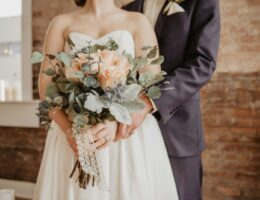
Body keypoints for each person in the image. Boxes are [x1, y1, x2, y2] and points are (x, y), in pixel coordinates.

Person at [33, 0, 179, 199]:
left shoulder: (137, 21)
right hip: (76, 133)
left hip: (125, 139)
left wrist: (116, 120)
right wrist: (69, 129)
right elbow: (46, 87)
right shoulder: (61, 23)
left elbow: (152, 84)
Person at [120, 0, 221, 199]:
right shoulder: (127, 10)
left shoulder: (202, 3)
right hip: (130, 133)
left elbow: (203, 63)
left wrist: (149, 101)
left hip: (178, 128)